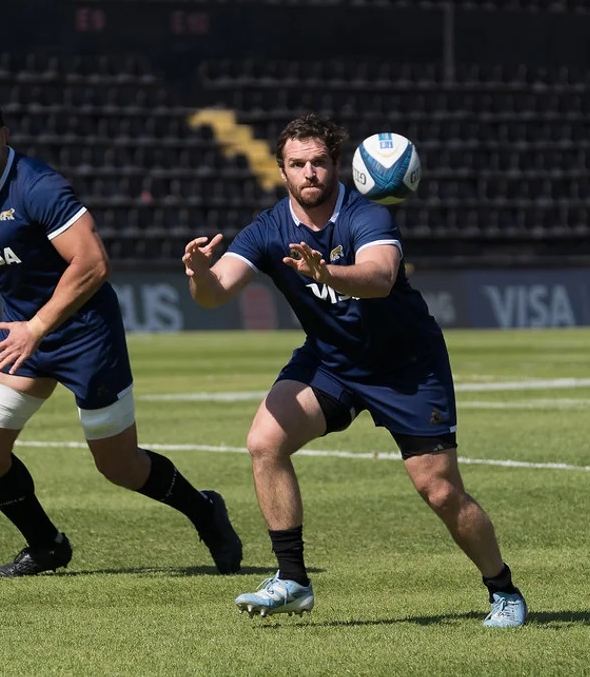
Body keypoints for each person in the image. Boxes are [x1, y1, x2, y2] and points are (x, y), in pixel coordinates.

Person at [182, 112, 526, 627]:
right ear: (282, 171)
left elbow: (381, 277)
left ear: (337, 166)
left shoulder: (368, 216)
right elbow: (215, 295)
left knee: (438, 489)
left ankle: (504, 590)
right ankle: (293, 579)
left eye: (319, 162)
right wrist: (199, 274)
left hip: (405, 366)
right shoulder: (269, 228)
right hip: (332, 361)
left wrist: (328, 273)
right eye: (298, 164)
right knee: (264, 442)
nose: (310, 174)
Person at [0, 94, 242, 577]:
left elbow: (93, 263)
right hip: (21, 335)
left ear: (4, 136)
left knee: (119, 466)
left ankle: (204, 510)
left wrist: (38, 327)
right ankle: (47, 545)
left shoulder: (38, 187)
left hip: (85, 333)